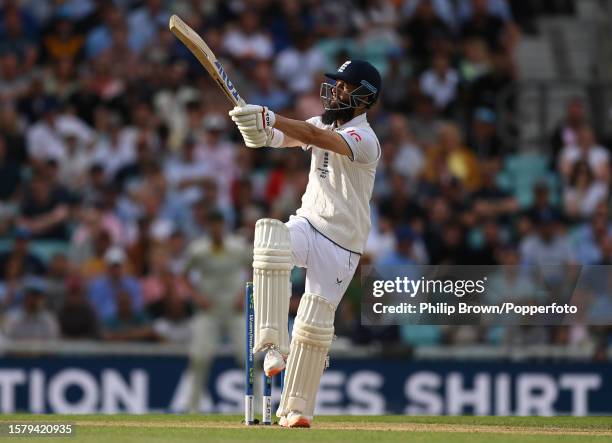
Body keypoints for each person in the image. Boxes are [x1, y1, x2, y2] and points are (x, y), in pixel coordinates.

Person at [229, 59, 381, 427]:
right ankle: (272, 344)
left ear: (364, 99)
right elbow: (276, 138)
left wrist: (270, 115)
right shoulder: (319, 123)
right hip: (309, 223)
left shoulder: (365, 139)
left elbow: (315, 138)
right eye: (337, 84)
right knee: (270, 237)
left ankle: (296, 409)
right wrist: (254, 126)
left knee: (313, 326)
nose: (337, 90)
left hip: (343, 245)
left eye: (345, 87)